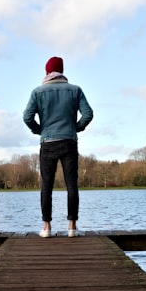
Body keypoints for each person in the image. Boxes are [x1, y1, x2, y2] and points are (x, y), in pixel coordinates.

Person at [23, 56, 93, 238]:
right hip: (69, 141)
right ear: (62, 71)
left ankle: (46, 227)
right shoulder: (75, 90)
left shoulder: (37, 92)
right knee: (72, 184)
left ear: (47, 72)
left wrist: (40, 131)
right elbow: (88, 114)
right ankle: (72, 227)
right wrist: (75, 128)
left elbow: (27, 117)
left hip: (48, 143)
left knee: (46, 185)